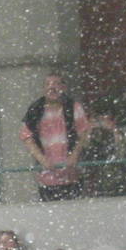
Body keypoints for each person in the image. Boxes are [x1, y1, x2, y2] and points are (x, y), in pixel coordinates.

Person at [20, 71, 88, 202]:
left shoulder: (73, 107)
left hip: (72, 174)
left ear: (64, 87)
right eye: (48, 84)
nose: (52, 87)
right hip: (47, 176)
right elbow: (26, 136)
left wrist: (74, 156)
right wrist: (42, 160)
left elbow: (83, 133)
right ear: (43, 88)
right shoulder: (35, 109)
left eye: (56, 84)